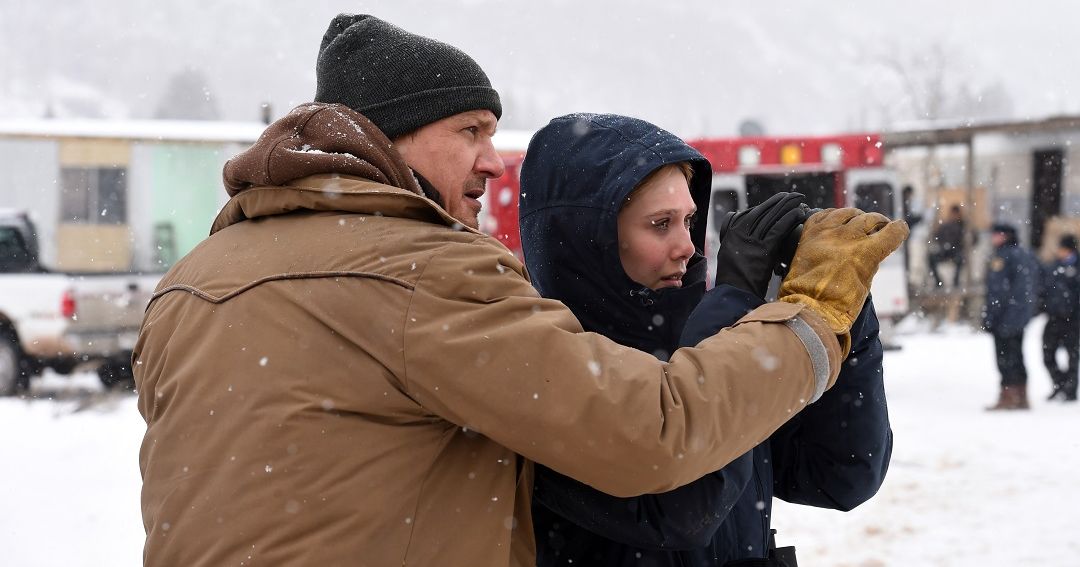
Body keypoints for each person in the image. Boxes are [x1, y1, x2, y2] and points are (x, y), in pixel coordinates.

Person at [132, 14, 908, 566]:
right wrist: (808, 313)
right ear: (389, 134)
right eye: (470, 130)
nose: (492, 160)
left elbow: (841, 469)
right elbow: (660, 441)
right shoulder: (422, 273)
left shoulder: (193, 280)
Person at [519, 113, 892, 567]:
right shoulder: (543, 366)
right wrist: (733, 305)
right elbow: (684, 509)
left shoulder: (711, 338)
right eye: (661, 224)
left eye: (689, 220)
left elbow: (841, 473)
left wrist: (840, 307)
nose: (688, 247)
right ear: (585, 239)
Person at [983, 223, 1040, 410]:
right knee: (1017, 355)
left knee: (1006, 357)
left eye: (996, 234)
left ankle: (1009, 396)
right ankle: (1021, 395)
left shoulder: (1004, 256)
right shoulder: (1025, 254)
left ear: (1005, 235)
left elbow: (998, 292)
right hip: (1019, 315)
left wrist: (992, 316)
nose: (993, 237)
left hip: (1006, 316)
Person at [1040, 234, 1080, 401]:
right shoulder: (1054, 266)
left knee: (1072, 355)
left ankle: (1070, 389)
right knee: (1047, 353)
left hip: (1074, 319)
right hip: (1054, 317)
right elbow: (1046, 288)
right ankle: (1059, 383)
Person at [928, 204, 967, 290]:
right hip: (944, 250)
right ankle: (938, 281)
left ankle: (956, 282)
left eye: (956, 214)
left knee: (960, 259)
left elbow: (969, 239)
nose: (954, 216)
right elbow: (936, 237)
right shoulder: (945, 225)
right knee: (931, 258)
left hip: (956, 251)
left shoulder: (963, 225)